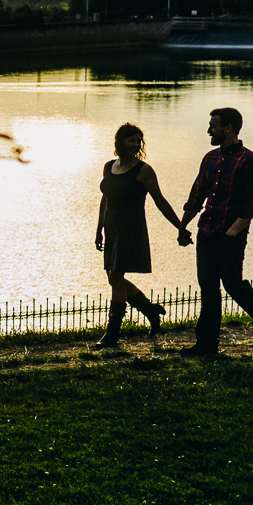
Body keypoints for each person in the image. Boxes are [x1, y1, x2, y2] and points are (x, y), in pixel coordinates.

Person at [178, 107, 253, 355]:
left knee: (233, 285)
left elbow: (250, 206)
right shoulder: (210, 158)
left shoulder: (250, 161)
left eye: (213, 126)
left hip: (230, 235)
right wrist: (183, 226)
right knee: (208, 288)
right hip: (207, 231)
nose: (209, 130)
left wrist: (232, 233)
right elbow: (197, 195)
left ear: (228, 128)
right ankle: (206, 343)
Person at [92, 123, 187, 347]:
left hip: (130, 229)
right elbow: (105, 199)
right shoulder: (109, 166)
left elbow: (160, 201)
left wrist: (180, 227)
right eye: (131, 140)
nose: (136, 145)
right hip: (112, 228)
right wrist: (99, 229)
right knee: (112, 278)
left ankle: (112, 333)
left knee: (115, 277)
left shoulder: (143, 170)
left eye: (138, 141)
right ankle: (150, 310)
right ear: (120, 142)